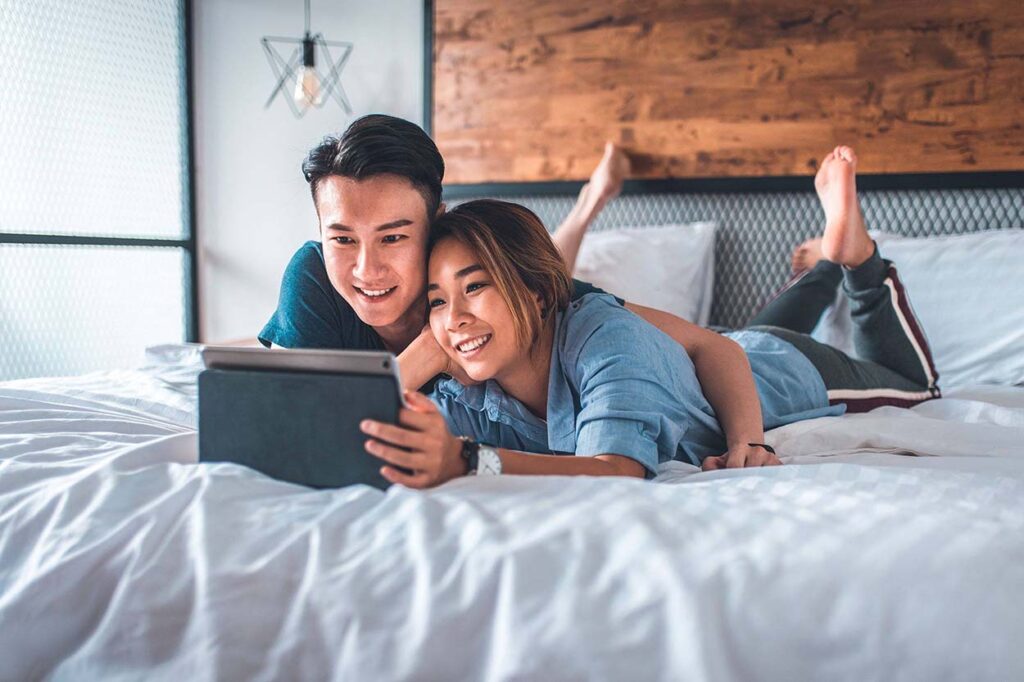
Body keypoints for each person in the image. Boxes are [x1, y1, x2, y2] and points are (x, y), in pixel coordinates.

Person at [358, 146, 941, 488]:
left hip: (785, 372)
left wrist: (467, 462)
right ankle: (822, 265)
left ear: (536, 292)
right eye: (436, 299)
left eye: (475, 287)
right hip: (738, 341)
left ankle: (856, 260)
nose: (453, 316)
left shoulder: (604, 338)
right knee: (762, 326)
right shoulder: (473, 382)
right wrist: (426, 352)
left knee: (916, 382)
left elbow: (617, 468)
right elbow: (361, 431)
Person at [259, 115, 767, 459]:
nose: (366, 269)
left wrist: (751, 442)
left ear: (434, 225)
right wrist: (424, 355)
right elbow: (297, 429)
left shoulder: (532, 297)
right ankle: (591, 200)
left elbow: (708, 344)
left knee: (549, 278)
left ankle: (591, 203)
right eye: (343, 238)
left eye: (393, 237)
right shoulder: (316, 277)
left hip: (762, 357)